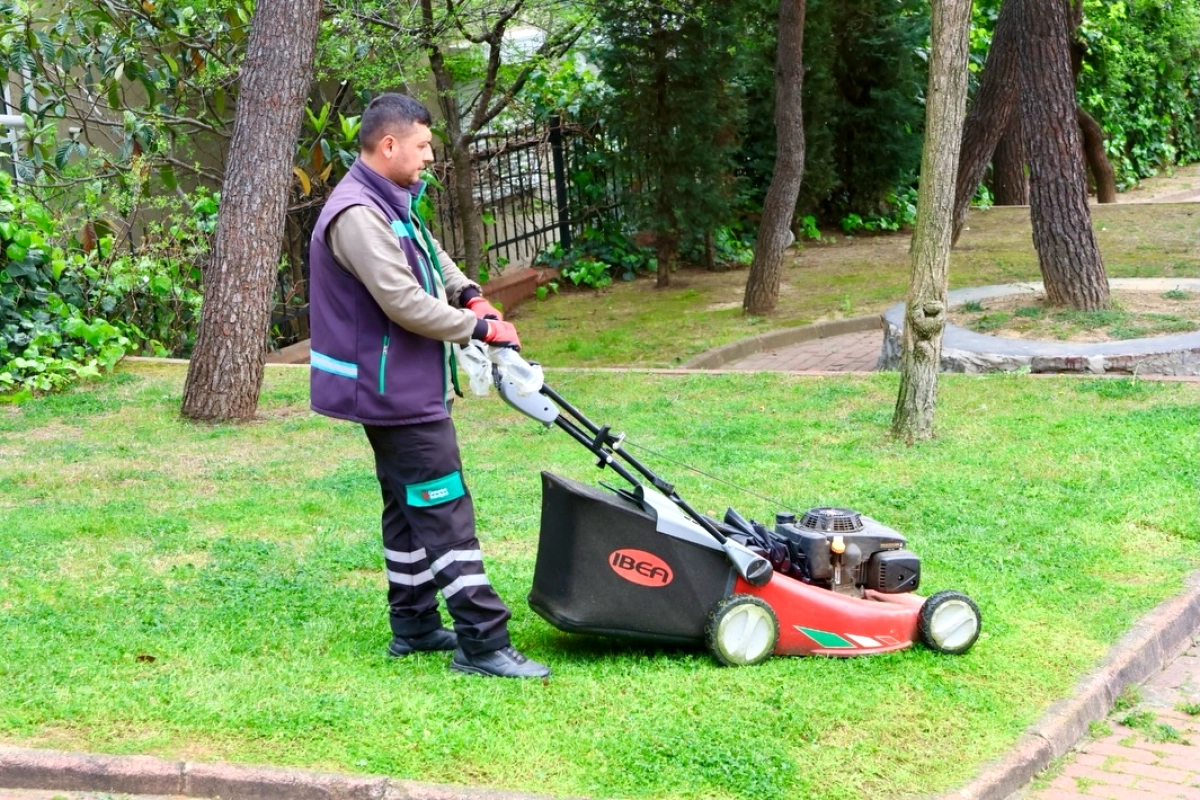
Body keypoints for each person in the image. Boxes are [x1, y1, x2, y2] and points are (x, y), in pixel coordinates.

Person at [307, 93, 550, 679]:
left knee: (406, 507)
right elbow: (403, 302)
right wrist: (481, 327)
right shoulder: (357, 214)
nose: (430, 158)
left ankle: (414, 625)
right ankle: (483, 642)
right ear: (388, 145)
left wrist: (469, 290)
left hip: (401, 384)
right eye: (422, 147)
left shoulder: (389, 199)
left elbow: (428, 252)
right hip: (393, 391)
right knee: (443, 508)